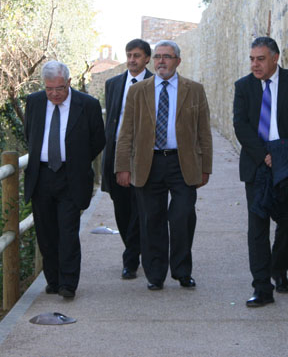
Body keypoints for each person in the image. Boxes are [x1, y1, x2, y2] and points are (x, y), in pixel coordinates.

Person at [115, 40, 212, 291]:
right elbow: (126, 132)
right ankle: (155, 275)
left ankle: (181, 271)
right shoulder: (138, 91)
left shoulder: (194, 90)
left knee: (182, 218)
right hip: (149, 163)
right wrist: (122, 166)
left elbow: (204, 132)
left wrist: (206, 167)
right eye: (157, 56)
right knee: (151, 220)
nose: (161, 61)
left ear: (178, 61)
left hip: (183, 163)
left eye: (167, 57)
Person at [233, 37, 288, 308]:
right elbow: (241, 125)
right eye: (252, 59)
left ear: (275, 58)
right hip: (257, 162)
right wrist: (263, 155)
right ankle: (261, 287)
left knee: (287, 220)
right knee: (257, 225)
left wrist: (284, 154)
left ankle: (279, 269)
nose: (255, 64)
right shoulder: (244, 87)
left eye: (261, 59)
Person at [24, 60, 105, 300]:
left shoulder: (87, 104)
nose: (54, 94)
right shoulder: (34, 102)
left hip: (72, 176)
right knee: (46, 232)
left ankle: (68, 283)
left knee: (68, 231)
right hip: (42, 176)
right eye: (49, 89)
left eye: (59, 88)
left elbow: (98, 139)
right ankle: (54, 280)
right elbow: (30, 134)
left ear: (68, 83)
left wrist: (78, 161)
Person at [101, 39, 153, 279]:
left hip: (145, 155)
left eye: (137, 55)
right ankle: (133, 247)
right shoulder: (113, 84)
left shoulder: (156, 84)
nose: (132, 59)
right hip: (116, 154)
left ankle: (131, 258)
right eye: (129, 55)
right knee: (121, 207)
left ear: (147, 59)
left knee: (141, 207)